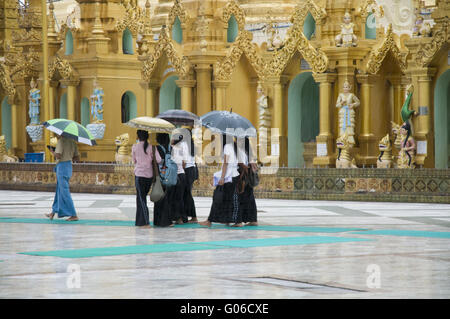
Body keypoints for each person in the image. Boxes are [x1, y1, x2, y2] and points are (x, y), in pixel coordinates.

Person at [200, 134, 241, 227]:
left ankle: (209, 221)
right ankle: (231, 220)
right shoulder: (235, 146)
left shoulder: (227, 146)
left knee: (217, 198)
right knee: (229, 199)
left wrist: (222, 178)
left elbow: (226, 163)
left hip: (228, 177)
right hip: (234, 175)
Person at [132, 129, 161, 228]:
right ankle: (139, 221)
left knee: (141, 199)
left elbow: (134, 161)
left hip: (139, 175)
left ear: (138, 136)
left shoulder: (135, 147)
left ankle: (145, 222)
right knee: (141, 198)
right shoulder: (152, 147)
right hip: (149, 176)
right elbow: (159, 160)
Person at [46, 135, 80, 221]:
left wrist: (52, 152)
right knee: (59, 190)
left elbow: (58, 155)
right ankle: (53, 212)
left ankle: (73, 214)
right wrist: (68, 155)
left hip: (62, 167)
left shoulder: (61, 141)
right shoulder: (73, 142)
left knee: (64, 192)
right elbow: (77, 157)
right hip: (68, 166)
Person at [152, 133, 173, 227]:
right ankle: (167, 220)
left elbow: (157, 161)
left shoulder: (157, 148)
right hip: (169, 176)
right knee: (167, 198)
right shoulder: (171, 148)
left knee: (159, 197)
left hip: (160, 175)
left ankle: (158, 220)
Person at [237, 137, 258, 226]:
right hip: (249, 178)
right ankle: (253, 220)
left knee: (241, 198)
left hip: (243, 177)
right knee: (250, 199)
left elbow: (243, 166)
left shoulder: (240, 152)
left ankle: (239, 220)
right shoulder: (249, 153)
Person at [168, 132, 188, 224]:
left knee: (173, 198)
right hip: (182, 174)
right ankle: (182, 218)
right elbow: (184, 163)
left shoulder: (171, 149)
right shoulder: (182, 149)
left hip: (174, 175)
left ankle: (176, 217)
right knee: (180, 198)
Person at [182, 130, 198, 223]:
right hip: (192, 169)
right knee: (187, 193)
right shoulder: (192, 144)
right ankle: (190, 216)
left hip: (187, 170)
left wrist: (181, 171)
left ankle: (193, 216)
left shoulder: (184, 144)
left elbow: (184, 161)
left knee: (186, 194)